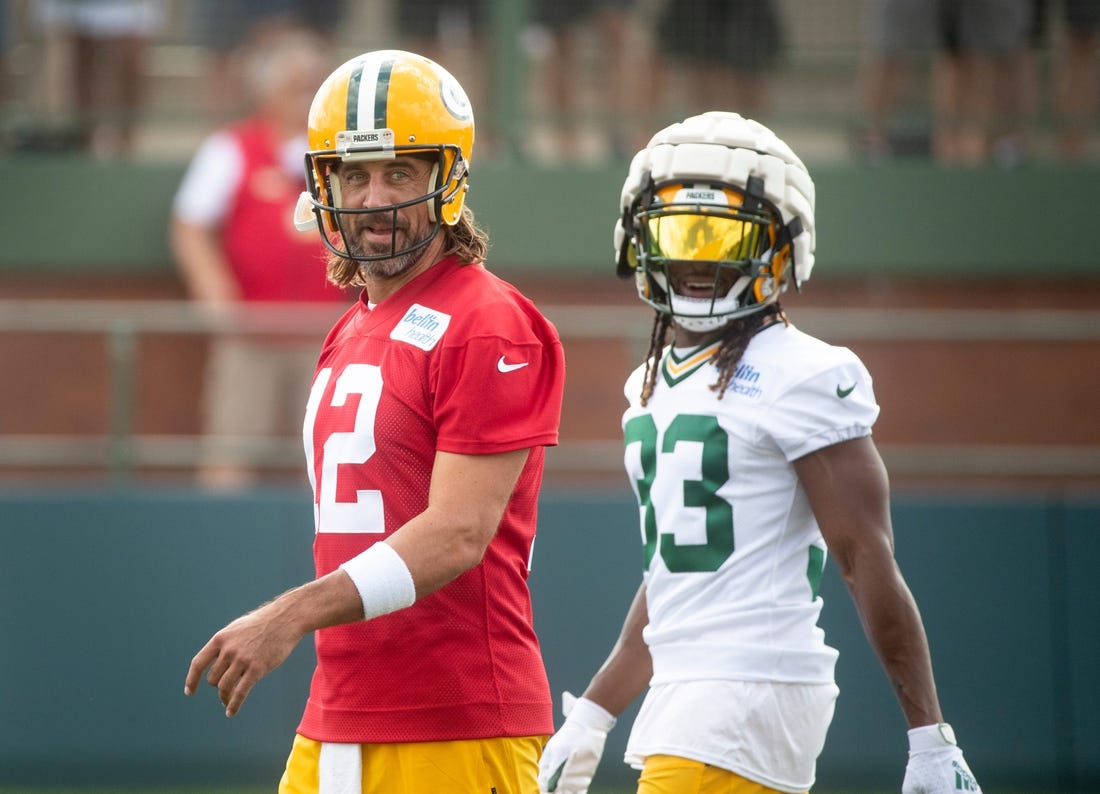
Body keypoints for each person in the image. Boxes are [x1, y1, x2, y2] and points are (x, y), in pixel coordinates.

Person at [537, 111, 982, 794]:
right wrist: (596, 712)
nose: (693, 257)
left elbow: (866, 557)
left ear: (781, 248)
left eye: (718, 235)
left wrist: (928, 735)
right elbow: (678, 575)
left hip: (747, 688)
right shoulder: (651, 384)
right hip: (698, 695)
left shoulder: (802, 372)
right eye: (674, 231)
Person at [184, 49, 566, 794]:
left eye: (400, 173)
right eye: (353, 176)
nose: (373, 198)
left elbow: (457, 532)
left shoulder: (487, 321)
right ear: (322, 186)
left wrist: (289, 615)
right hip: (340, 712)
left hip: (454, 721)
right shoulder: (353, 324)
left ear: (447, 181)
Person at [170, 24, 349, 489]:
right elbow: (189, 225)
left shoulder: (339, 152)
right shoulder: (232, 147)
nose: (304, 93)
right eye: (295, 83)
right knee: (229, 449)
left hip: (323, 335)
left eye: (313, 84)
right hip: (249, 330)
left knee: (327, 458)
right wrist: (216, 296)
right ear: (268, 88)